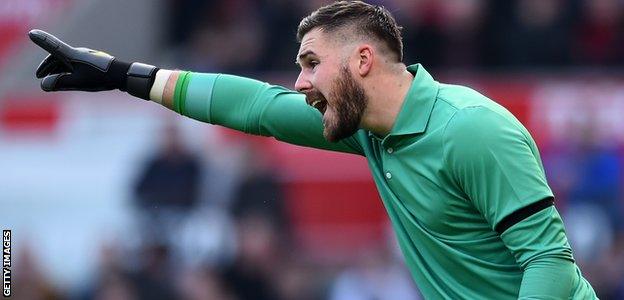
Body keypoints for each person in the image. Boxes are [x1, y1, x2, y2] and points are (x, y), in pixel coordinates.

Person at [28, 1, 597, 298]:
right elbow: (252, 105)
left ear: (363, 61)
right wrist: (123, 74)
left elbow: (548, 262)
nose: (298, 83)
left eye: (309, 64)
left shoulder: (473, 128)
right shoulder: (369, 127)